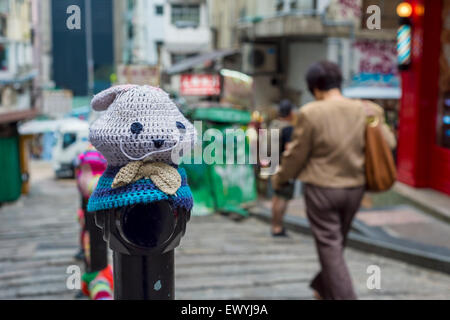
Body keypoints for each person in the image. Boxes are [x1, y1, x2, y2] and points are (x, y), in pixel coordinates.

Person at [271, 61, 396, 300]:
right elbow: (389, 144)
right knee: (335, 246)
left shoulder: (311, 112)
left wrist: (280, 179)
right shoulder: (366, 109)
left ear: (316, 88)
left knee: (330, 247)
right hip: (355, 189)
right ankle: (323, 289)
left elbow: (296, 155)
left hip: (322, 190)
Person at [269, 100, 295, 236]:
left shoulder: (273, 124)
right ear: (290, 113)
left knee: (275, 197)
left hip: (271, 164)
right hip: (283, 167)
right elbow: (289, 148)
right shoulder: (288, 128)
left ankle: (274, 225)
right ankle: (278, 227)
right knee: (283, 197)